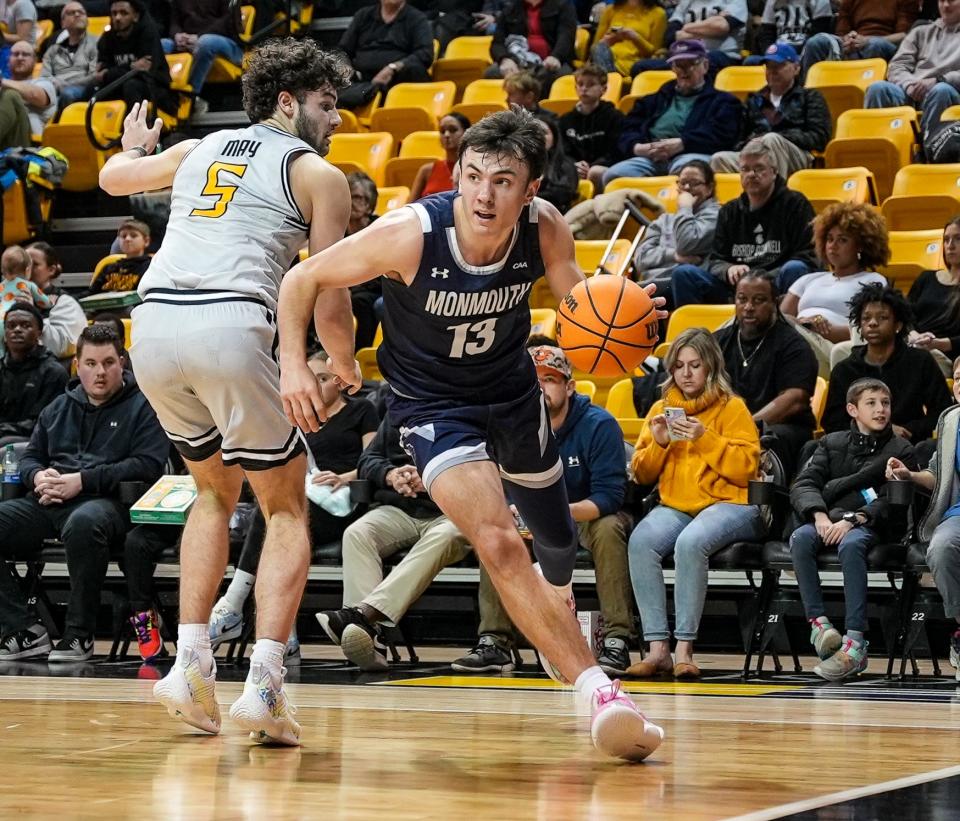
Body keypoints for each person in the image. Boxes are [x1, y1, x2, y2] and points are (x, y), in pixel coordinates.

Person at [277, 107, 667, 761]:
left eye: (504, 180)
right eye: (474, 175)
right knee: (495, 540)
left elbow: (581, 310)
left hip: (512, 393)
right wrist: (304, 361)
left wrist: (625, 314)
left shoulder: (544, 229)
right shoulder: (410, 233)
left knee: (555, 538)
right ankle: (601, 690)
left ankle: (559, 607)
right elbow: (304, 276)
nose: (484, 194)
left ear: (531, 188)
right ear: (458, 173)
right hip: (434, 406)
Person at [98, 37, 353, 746]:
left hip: (151, 329)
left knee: (212, 490)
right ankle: (266, 684)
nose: (336, 120)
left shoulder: (198, 148)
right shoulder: (319, 175)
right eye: (327, 105)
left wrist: (132, 144)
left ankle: (189, 664)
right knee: (286, 505)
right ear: (286, 101)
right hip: (231, 320)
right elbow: (327, 294)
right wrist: (345, 363)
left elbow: (115, 178)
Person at [454, 344, 637, 676]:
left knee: (610, 528)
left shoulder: (599, 424)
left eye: (550, 379)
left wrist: (553, 512)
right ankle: (495, 642)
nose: (540, 387)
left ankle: (617, 640)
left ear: (569, 386)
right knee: (495, 532)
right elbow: (499, 485)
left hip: (587, 516)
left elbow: (609, 497)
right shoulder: (509, 425)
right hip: (532, 516)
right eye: (533, 379)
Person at [0, 324, 169, 662]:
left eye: (108, 362)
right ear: (77, 365)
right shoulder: (59, 406)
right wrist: (37, 477)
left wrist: (82, 480)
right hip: (51, 500)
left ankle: (79, 635)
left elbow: (147, 465)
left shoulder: (145, 406)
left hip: (110, 504)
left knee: (83, 523)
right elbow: (32, 456)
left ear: (123, 362)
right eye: (91, 364)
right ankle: (23, 628)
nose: (100, 372)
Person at [208, 353, 379, 661]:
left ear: (340, 383)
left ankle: (234, 603)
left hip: (340, 504)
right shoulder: (297, 416)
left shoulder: (362, 410)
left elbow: (372, 460)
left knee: (276, 515)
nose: (316, 385)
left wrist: (345, 476)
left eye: (323, 379)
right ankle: (283, 634)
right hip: (300, 499)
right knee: (276, 513)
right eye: (311, 379)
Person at [628, 328, 763, 679]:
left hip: (730, 502)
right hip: (677, 505)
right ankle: (658, 649)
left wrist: (705, 439)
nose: (686, 373)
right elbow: (641, 475)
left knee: (690, 544)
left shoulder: (732, 408)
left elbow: (747, 470)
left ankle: (684, 648)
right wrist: (658, 444)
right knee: (641, 543)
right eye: (679, 365)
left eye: (695, 365)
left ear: (711, 367)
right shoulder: (661, 408)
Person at [315, 416, 471, 671]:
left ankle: (362, 616)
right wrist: (390, 475)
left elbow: (486, 465)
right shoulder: (401, 409)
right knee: (358, 533)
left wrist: (433, 477)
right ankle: (371, 639)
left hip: (454, 511)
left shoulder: (467, 409)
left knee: (447, 536)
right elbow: (367, 460)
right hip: (402, 508)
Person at [790, 378, 917, 681]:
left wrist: (853, 519)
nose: (881, 409)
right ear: (852, 409)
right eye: (871, 403)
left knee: (851, 545)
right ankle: (820, 627)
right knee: (800, 537)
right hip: (828, 519)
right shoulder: (831, 443)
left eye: (885, 403)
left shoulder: (901, 449)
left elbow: (892, 501)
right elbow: (804, 484)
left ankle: (856, 644)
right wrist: (819, 516)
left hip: (874, 525)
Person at [670, 138, 817, 308]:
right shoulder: (729, 211)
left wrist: (758, 278)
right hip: (736, 289)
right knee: (683, 274)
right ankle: (694, 334)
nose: (751, 174)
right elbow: (715, 260)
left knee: (795, 268)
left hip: (776, 284)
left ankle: (784, 329)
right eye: (745, 169)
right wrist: (727, 269)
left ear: (774, 172)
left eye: (759, 168)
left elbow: (808, 258)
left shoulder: (795, 204)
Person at [886, 363, 960, 684]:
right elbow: (937, 476)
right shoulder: (951, 419)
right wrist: (908, 475)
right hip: (958, 514)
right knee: (941, 547)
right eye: (958, 378)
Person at [820, 284, 951, 445]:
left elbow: (942, 411)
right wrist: (878, 431)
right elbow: (833, 422)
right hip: (858, 448)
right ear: (859, 325)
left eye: (882, 317)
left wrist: (909, 430)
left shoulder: (920, 361)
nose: (873, 323)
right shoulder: (845, 369)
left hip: (908, 446)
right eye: (866, 318)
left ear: (898, 325)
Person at [714, 272, 817, 477]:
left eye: (759, 300)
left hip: (781, 427)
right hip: (728, 425)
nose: (749, 307)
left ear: (774, 303)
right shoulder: (718, 342)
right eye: (742, 299)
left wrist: (747, 426)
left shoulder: (793, 345)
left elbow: (794, 400)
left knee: (771, 438)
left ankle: (767, 504)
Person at [603, 39, 742, 186]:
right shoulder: (653, 98)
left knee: (686, 174)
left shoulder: (724, 101)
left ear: (705, 66)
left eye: (690, 64)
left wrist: (682, 143)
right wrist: (637, 148)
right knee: (613, 176)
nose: (684, 70)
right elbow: (626, 130)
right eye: (678, 65)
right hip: (650, 156)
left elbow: (722, 136)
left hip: (690, 154)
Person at [780, 201, 889, 375]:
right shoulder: (807, 280)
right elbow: (778, 317)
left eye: (842, 240)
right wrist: (802, 324)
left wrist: (818, 329)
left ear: (860, 246)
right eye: (829, 239)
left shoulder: (872, 281)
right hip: (794, 338)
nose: (833, 245)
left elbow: (871, 330)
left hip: (833, 349)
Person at [710, 43, 831, 180]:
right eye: (769, 66)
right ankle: (741, 200)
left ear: (796, 68)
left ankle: (777, 197)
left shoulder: (810, 97)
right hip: (756, 153)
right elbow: (738, 140)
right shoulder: (754, 99)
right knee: (718, 159)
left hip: (797, 155)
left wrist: (778, 137)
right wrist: (752, 142)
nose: (773, 71)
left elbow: (820, 137)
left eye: (779, 66)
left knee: (771, 140)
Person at [862, 0, 960, 149]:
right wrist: (909, 84)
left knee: (941, 90)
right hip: (912, 89)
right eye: (941, 1)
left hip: (947, 92)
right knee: (878, 88)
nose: (946, 6)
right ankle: (876, 151)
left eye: (952, 0)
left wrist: (938, 81)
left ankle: (931, 151)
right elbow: (897, 66)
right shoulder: (920, 32)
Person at [633, 158, 720, 291]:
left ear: (709, 188)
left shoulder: (717, 215)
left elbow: (687, 245)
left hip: (687, 284)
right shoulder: (664, 220)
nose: (687, 188)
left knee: (681, 275)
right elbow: (640, 259)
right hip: (653, 284)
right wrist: (674, 255)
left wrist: (685, 207)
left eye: (694, 183)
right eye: (683, 183)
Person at [335, 0, 433, 110]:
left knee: (414, 69)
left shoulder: (417, 18)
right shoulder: (363, 15)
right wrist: (345, 66)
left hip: (396, 80)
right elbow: (343, 50)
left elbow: (425, 54)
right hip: (362, 80)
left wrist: (393, 68)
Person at [0, 302, 68, 448]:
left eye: (25, 325)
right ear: (5, 334)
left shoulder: (54, 372)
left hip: (36, 441)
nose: (17, 330)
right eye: (11, 326)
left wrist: (4, 430)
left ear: (39, 332)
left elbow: (45, 423)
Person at [90, 0, 175, 118]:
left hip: (155, 87)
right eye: (114, 13)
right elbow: (102, 74)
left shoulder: (148, 33)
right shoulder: (107, 38)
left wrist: (111, 72)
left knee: (131, 86)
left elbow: (145, 72)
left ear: (136, 16)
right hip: (120, 84)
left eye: (124, 13)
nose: (117, 18)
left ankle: (137, 130)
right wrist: (130, 67)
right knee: (92, 90)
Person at [800, 0, 918, 77]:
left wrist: (866, 40)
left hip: (886, 43)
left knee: (874, 45)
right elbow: (842, 32)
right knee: (816, 42)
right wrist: (847, 39)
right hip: (854, 40)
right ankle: (808, 96)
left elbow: (904, 35)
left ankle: (865, 92)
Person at [161, 0, 243, 111]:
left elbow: (227, 21)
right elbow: (174, 22)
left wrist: (198, 37)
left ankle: (191, 95)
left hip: (227, 41)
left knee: (205, 42)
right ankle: (161, 95)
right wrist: (177, 35)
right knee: (162, 44)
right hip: (189, 39)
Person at [630, 0, 748, 75]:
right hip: (683, 56)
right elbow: (670, 37)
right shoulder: (686, 2)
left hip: (722, 56)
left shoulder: (734, 1)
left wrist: (686, 27)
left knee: (708, 60)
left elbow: (722, 27)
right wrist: (710, 26)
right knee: (640, 67)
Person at [558, 62, 625, 193]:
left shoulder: (615, 117)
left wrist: (592, 166)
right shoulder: (565, 120)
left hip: (603, 169)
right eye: (580, 84)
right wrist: (573, 166)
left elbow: (616, 151)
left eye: (591, 84)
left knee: (596, 172)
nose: (584, 89)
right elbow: (562, 151)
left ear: (604, 89)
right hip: (575, 171)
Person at [486, 0, 578, 92]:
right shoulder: (510, 9)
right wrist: (504, 59)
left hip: (550, 61)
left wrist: (556, 56)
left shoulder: (563, 5)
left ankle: (539, 105)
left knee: (561, 75)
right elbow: (497, 43)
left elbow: (566, 36)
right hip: (518, 61)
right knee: (492, 72)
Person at [907, 218, 960, 374]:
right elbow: (904, 315)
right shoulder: (926, 278)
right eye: (946, 239)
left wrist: (936, 344)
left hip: (942, 355)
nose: (950, 246)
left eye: (958, 239)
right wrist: (913, 335)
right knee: (843, 349)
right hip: (911, 343)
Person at [24, 242, 87, 361]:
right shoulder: (6, 297)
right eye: (24, 264)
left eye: (34, 265)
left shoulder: (64, 302)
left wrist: (30, 312)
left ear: (51, 270)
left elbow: (60, 348)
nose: (27, 270)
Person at [345, 171, 384, 350]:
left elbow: (382, 274)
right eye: (348, 196)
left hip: (377, 289)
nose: (351, 202)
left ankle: (359, 353)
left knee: (360, 301)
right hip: (347, 287)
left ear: (369, 205)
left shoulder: (380, 229)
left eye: (357, 197)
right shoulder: (336, 230)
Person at [40, 2, 99, 111]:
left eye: (81, 12)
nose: (77, 14)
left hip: (82, 89)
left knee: (67, 94)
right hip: (55, 89)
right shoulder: (52, 50)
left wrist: (65, 84)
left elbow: (94, 76)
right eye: (71, 13)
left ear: (87, 19)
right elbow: (45, 76)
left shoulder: (97, 43)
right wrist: (53, 83)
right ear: (62, 23)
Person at [591, 0, 667, 77]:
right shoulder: (610, 10)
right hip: (604, 58)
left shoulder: (658, 14)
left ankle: (608, 80)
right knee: (599, 48)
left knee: (598, 64)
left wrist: (635, 38)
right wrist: (608, 41)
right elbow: (595, 46)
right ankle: (609, 79)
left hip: (632, 65)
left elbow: (654, 53)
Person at [0, 40, 58, 144]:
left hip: (28, 143)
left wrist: (2, 82)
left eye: (25, 54)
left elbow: (36, 96)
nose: (20, 58)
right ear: (8, 60)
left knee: (11, 96)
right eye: (16, 54)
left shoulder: (45, 83)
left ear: (35, 60)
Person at [409, 112, 471, 202]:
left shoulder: (473, 169)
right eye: (442, 131)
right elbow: (410, 206)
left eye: (453, 130)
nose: (446, 135)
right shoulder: (426, 171)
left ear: (467, 133)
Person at [88, 219, 152, 296]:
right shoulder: (109, 268)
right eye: (123, 236)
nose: (127, 239)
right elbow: (91, 293)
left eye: (133, 235)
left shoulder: (151, 267)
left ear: (146, 241)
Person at [751, 0, 834, 59]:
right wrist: (771, 53)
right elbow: (766, 34)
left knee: (814, 43)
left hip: (806, 52)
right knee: (750, 61)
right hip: (778, 52)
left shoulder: (820, 1)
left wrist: (799, 56)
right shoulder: (772, 2)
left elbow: (819, 33)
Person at [533, 115, 578, 212]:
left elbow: (562, 195)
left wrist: (529, 197)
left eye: (544, 132)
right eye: (533, 133)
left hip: (554, 216)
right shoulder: (520, 166)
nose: (539, 137)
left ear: (554, 139)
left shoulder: (565, 164)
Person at [1, 246, 52, 319]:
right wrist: (51, 301)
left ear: (3, 271)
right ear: (27, 270)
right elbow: (45, 303)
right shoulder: (29, 285)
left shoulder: (1, 286)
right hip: (14, 320)